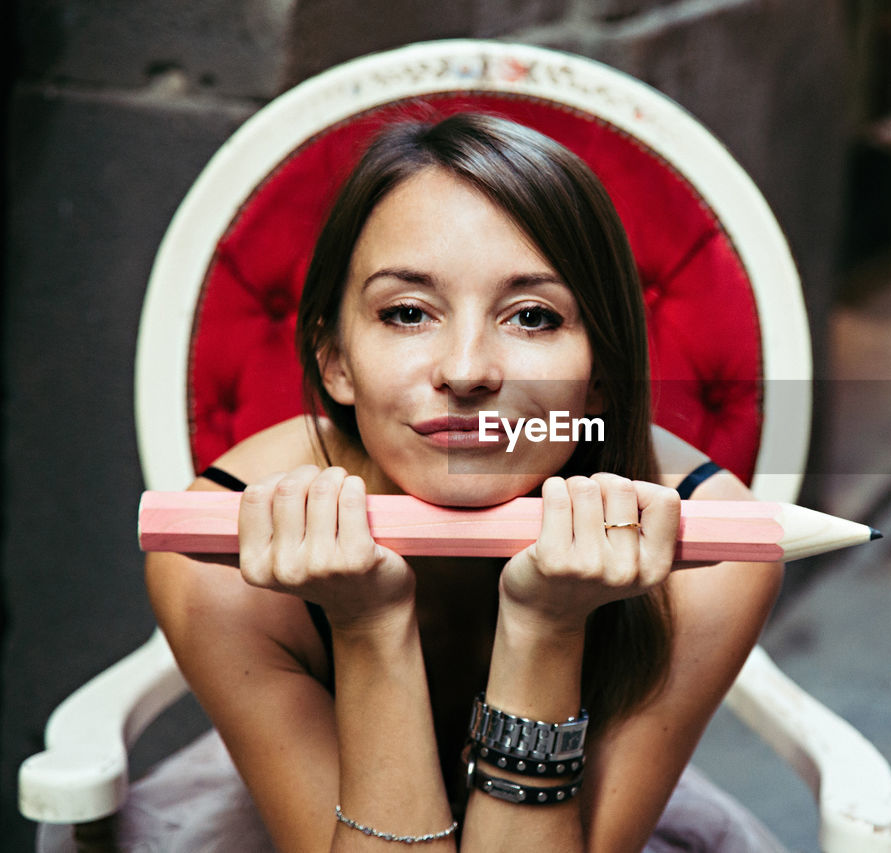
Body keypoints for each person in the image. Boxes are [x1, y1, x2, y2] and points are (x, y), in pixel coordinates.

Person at [142, 113, 785, 852]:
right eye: (408, 312)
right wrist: (365, 625)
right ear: (335, 361)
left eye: (533, 317)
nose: (468, 369)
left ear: (602, 374)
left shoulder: (710, 554)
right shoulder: (219, 561)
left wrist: (546, 627)